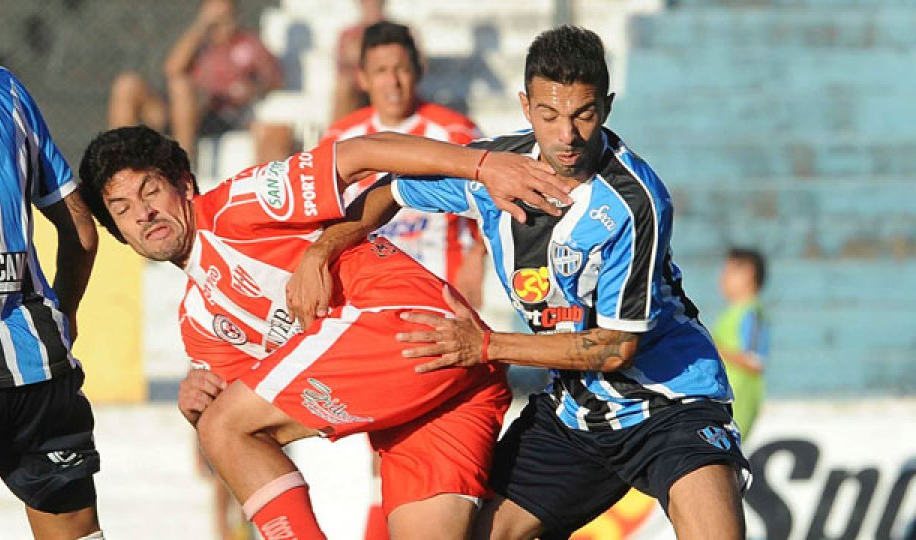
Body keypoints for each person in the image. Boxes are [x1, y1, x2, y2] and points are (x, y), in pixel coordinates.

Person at [287, 26, 751, 540]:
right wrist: (321, 250)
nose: (567, 135)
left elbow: (616, 347)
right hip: (576, 414)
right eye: (549, 116)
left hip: (670, 403)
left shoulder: (635, 201)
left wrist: (485, 345)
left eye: (583, 115)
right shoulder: (497, 171)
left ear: (607, 107)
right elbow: (389, 191)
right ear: (526, 106)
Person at [77, 125, 569, 540]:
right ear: (120, 233)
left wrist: (482, 165)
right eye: (122, 209)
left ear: (184, 185)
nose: (143, 213)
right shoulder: (199, 324)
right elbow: (249, 438)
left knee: (224, 426)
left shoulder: (238, 205)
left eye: (150, 191)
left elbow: (363, 153)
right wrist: (198, 408)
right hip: (444, 382)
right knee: (222, 424)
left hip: (404, 320)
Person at [322, 21, 487, 537]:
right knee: (393, 450)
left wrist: (475, 275)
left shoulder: (455, 132)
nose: (392, 81)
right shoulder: (341, 140)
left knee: (413, 452)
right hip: (370, 308)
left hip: (439, 308)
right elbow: (324, 225)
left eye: (400, 69)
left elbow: (489, 214)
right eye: (381, 70)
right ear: (362, 78)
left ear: (417, 71)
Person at [0, 56, 102, 538]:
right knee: (74, 530)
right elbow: (81, 227)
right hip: (35, 361)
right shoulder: (1, 85)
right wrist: (66, 312)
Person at [108, 0, 291, 165]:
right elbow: (172, 68)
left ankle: (181, 165)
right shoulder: (197, 42)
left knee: (181, 87)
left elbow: (275, 80)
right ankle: (119, 163)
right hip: (179, 111)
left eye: (224, 16)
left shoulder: (249, 43)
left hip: (220, 113)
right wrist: (201, 26)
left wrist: (251, 89)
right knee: (128, 84)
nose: (220, 23)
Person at [712, 247, 769, 441]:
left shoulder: (752, 312)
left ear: (748, 273)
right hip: (721, 400)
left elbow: (755, 361)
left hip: (737, 401)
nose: (722, 278)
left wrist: (713, 349)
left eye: (728, 272)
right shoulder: (733, 313)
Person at [331, 0, 387, 123]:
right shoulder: (348, 35)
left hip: (386, 80)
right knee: (344, 85)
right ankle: (338, 131)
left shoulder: (400, 32)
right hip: (358, 85)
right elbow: (341, 67)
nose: (372, 5)